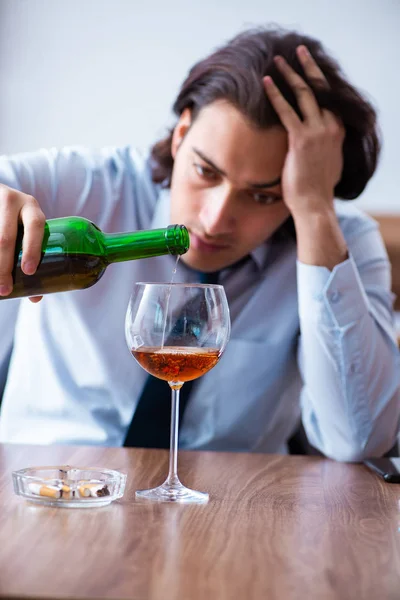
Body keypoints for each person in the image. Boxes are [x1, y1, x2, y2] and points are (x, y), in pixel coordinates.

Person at [0, 26, 398, 461]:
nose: (214, 220)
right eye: (206, 172)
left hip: (231, 510)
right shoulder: (86, 185)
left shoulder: (341, 239)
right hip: (44, 486)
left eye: (263, 195)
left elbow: (360, 439)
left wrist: (315, 211)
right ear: (181, 133)